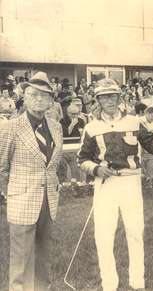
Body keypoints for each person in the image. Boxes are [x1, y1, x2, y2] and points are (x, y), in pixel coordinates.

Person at [77, 78, 153, 291]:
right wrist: (96, 169)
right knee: (104, 234)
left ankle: (137, 283)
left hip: (131, 183)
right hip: (105, 184)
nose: (109, 100)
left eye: (112, 95)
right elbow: (82, 159)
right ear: (98, 100)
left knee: (134, 231)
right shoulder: (91, 127)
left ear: (119, 98)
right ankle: (109, 285)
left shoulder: (134, 121)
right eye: (104, 97)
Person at [0, 71, 63, 291]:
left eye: (44, 96)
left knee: (43, 254)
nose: (39, 100)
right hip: (21, 200)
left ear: (50, 101)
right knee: (21, 258)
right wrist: (10, 193)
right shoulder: (11, 127)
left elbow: (53, 164)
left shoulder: (56, 127)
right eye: (33, 95)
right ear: (24, 98)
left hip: (48, 201)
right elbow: (1, 166)